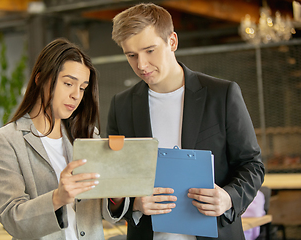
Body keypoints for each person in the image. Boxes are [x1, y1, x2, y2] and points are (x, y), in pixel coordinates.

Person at [107, 3, 265, 240]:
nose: (141, 65)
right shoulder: (121, 105)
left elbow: (252, 164)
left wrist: (228, 197)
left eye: (150, 50)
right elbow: (115, 175)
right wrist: (134, 203)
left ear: (172, 42)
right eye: (131, 55)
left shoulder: (221, 95)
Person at [0, 38, 128, 240]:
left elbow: (109, 214)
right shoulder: (6, 140)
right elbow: (11, 219)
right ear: (40, 79)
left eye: (82, 88)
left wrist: (116, 195)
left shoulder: (88, 135)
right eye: (68, 83)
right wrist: (57, 197)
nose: (76, 96)